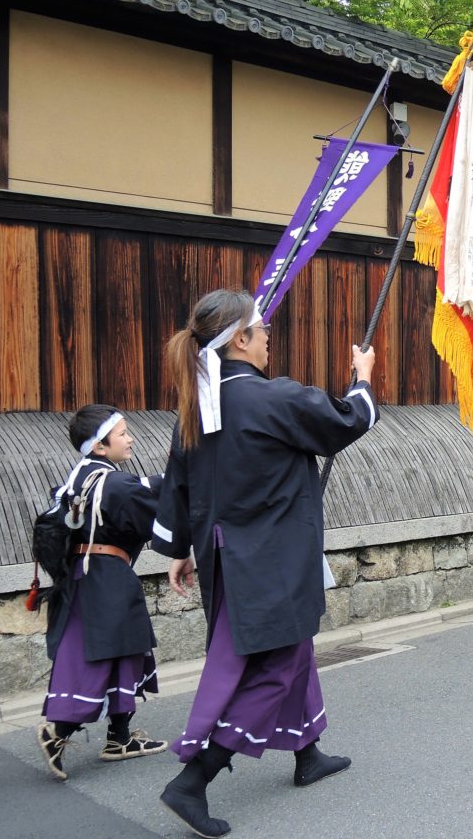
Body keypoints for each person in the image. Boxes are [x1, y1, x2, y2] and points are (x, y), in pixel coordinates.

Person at [152, 289, 379, 839]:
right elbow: (350, 419)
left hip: (225, 557)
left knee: (292, 649)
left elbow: (181, 481)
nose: (269, 334)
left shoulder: (201, 404)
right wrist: (363, 375)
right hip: (270, 557)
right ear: (240, 340)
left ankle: (307, 752)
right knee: (275, 665)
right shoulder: (270, 397)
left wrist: (180, 548)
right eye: (263, 328)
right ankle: (195, 779)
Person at [36, 404, 167, 781]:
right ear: (99, 447)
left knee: (120, 651)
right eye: (123, 433)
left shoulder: (76, 480)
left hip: (81, 576)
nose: (131, 438)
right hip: (106, 576)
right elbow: (151, 503)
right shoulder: (113, 483)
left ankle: (120, 738)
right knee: (100, 656)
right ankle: (57, 732)